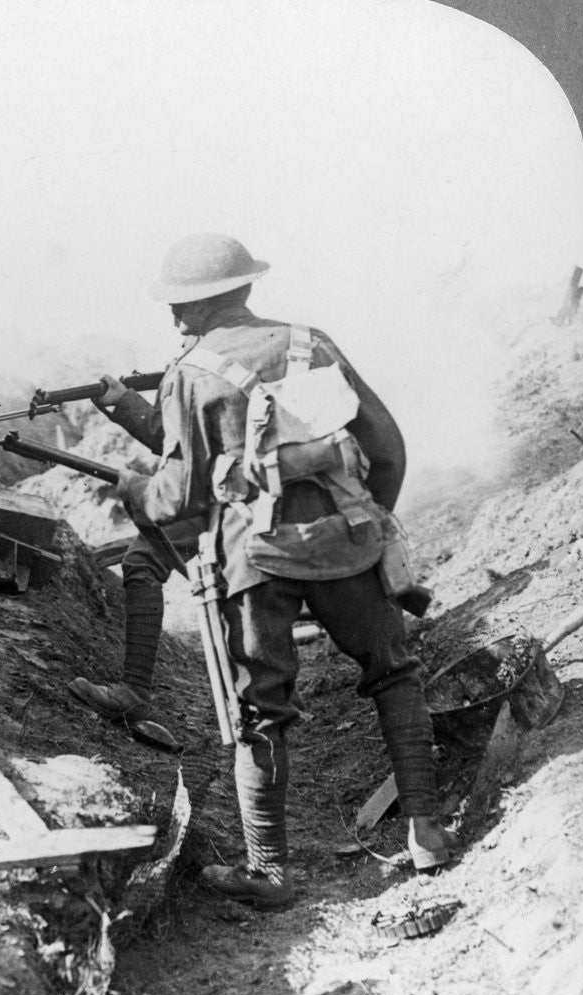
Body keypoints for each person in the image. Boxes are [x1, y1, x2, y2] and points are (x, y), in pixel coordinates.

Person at [114, 232, 456, 911]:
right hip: (342, 540)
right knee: (394, 671)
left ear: (196, 307)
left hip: (255, 561)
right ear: (245, 288)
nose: (174, 318)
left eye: (178, 305)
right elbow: (385, 448)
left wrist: (134, 491)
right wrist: (365, 526)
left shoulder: (190, 374)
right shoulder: (312, 344)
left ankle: (270, 870)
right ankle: (427, 828)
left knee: (258, 713)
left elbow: (180, 496)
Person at [68, 366, 204, 753]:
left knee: (143, 557)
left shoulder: (215, 361)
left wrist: (127, 401)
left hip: (239, 494)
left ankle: (134, 691)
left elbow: (178, 441)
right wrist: (124, 401)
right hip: (243, 488)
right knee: (142, 553)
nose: (178, 320)